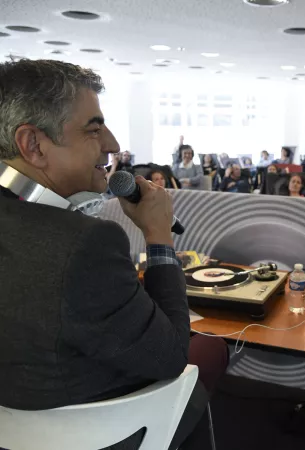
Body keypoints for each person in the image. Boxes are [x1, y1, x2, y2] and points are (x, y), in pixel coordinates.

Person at [0, 59, 228, 450]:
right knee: (209, 351)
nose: (113, 145)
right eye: (94, 128)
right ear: (33, 145)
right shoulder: (85, 243)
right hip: (92, 429)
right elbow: (171, 352)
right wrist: (158, 237)